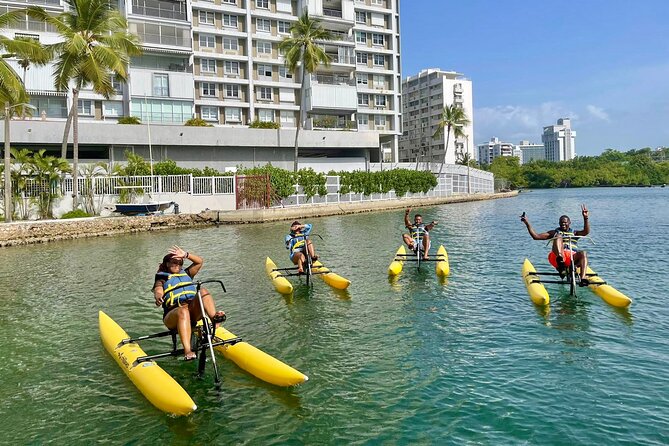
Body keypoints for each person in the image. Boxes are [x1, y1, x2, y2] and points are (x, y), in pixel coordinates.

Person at [152, 245, 225, 361]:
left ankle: (214, 319)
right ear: (167, 264)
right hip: (173, 314)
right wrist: (159, 297)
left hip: (192, 311)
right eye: (174, 262)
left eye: (180, 262)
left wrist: (186, 255)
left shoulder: (187, 273)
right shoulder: (162, 278)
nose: (177, 264)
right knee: (183, 311)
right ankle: (188, 351)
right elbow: (158, 290)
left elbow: (199, 262)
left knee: (203, 291)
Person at [521, 204, 590, 285]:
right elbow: (536, 236)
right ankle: (560, 261)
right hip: (557, 257)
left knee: (583, 253)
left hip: (571, 258)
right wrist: (527, 223)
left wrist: (585, 218)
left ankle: (582, 279)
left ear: (569, 223)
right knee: (558, 236)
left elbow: (586, 232)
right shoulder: (554, 232)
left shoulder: (574, 233)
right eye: (561, 223)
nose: (563, 224)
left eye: (565, 222)